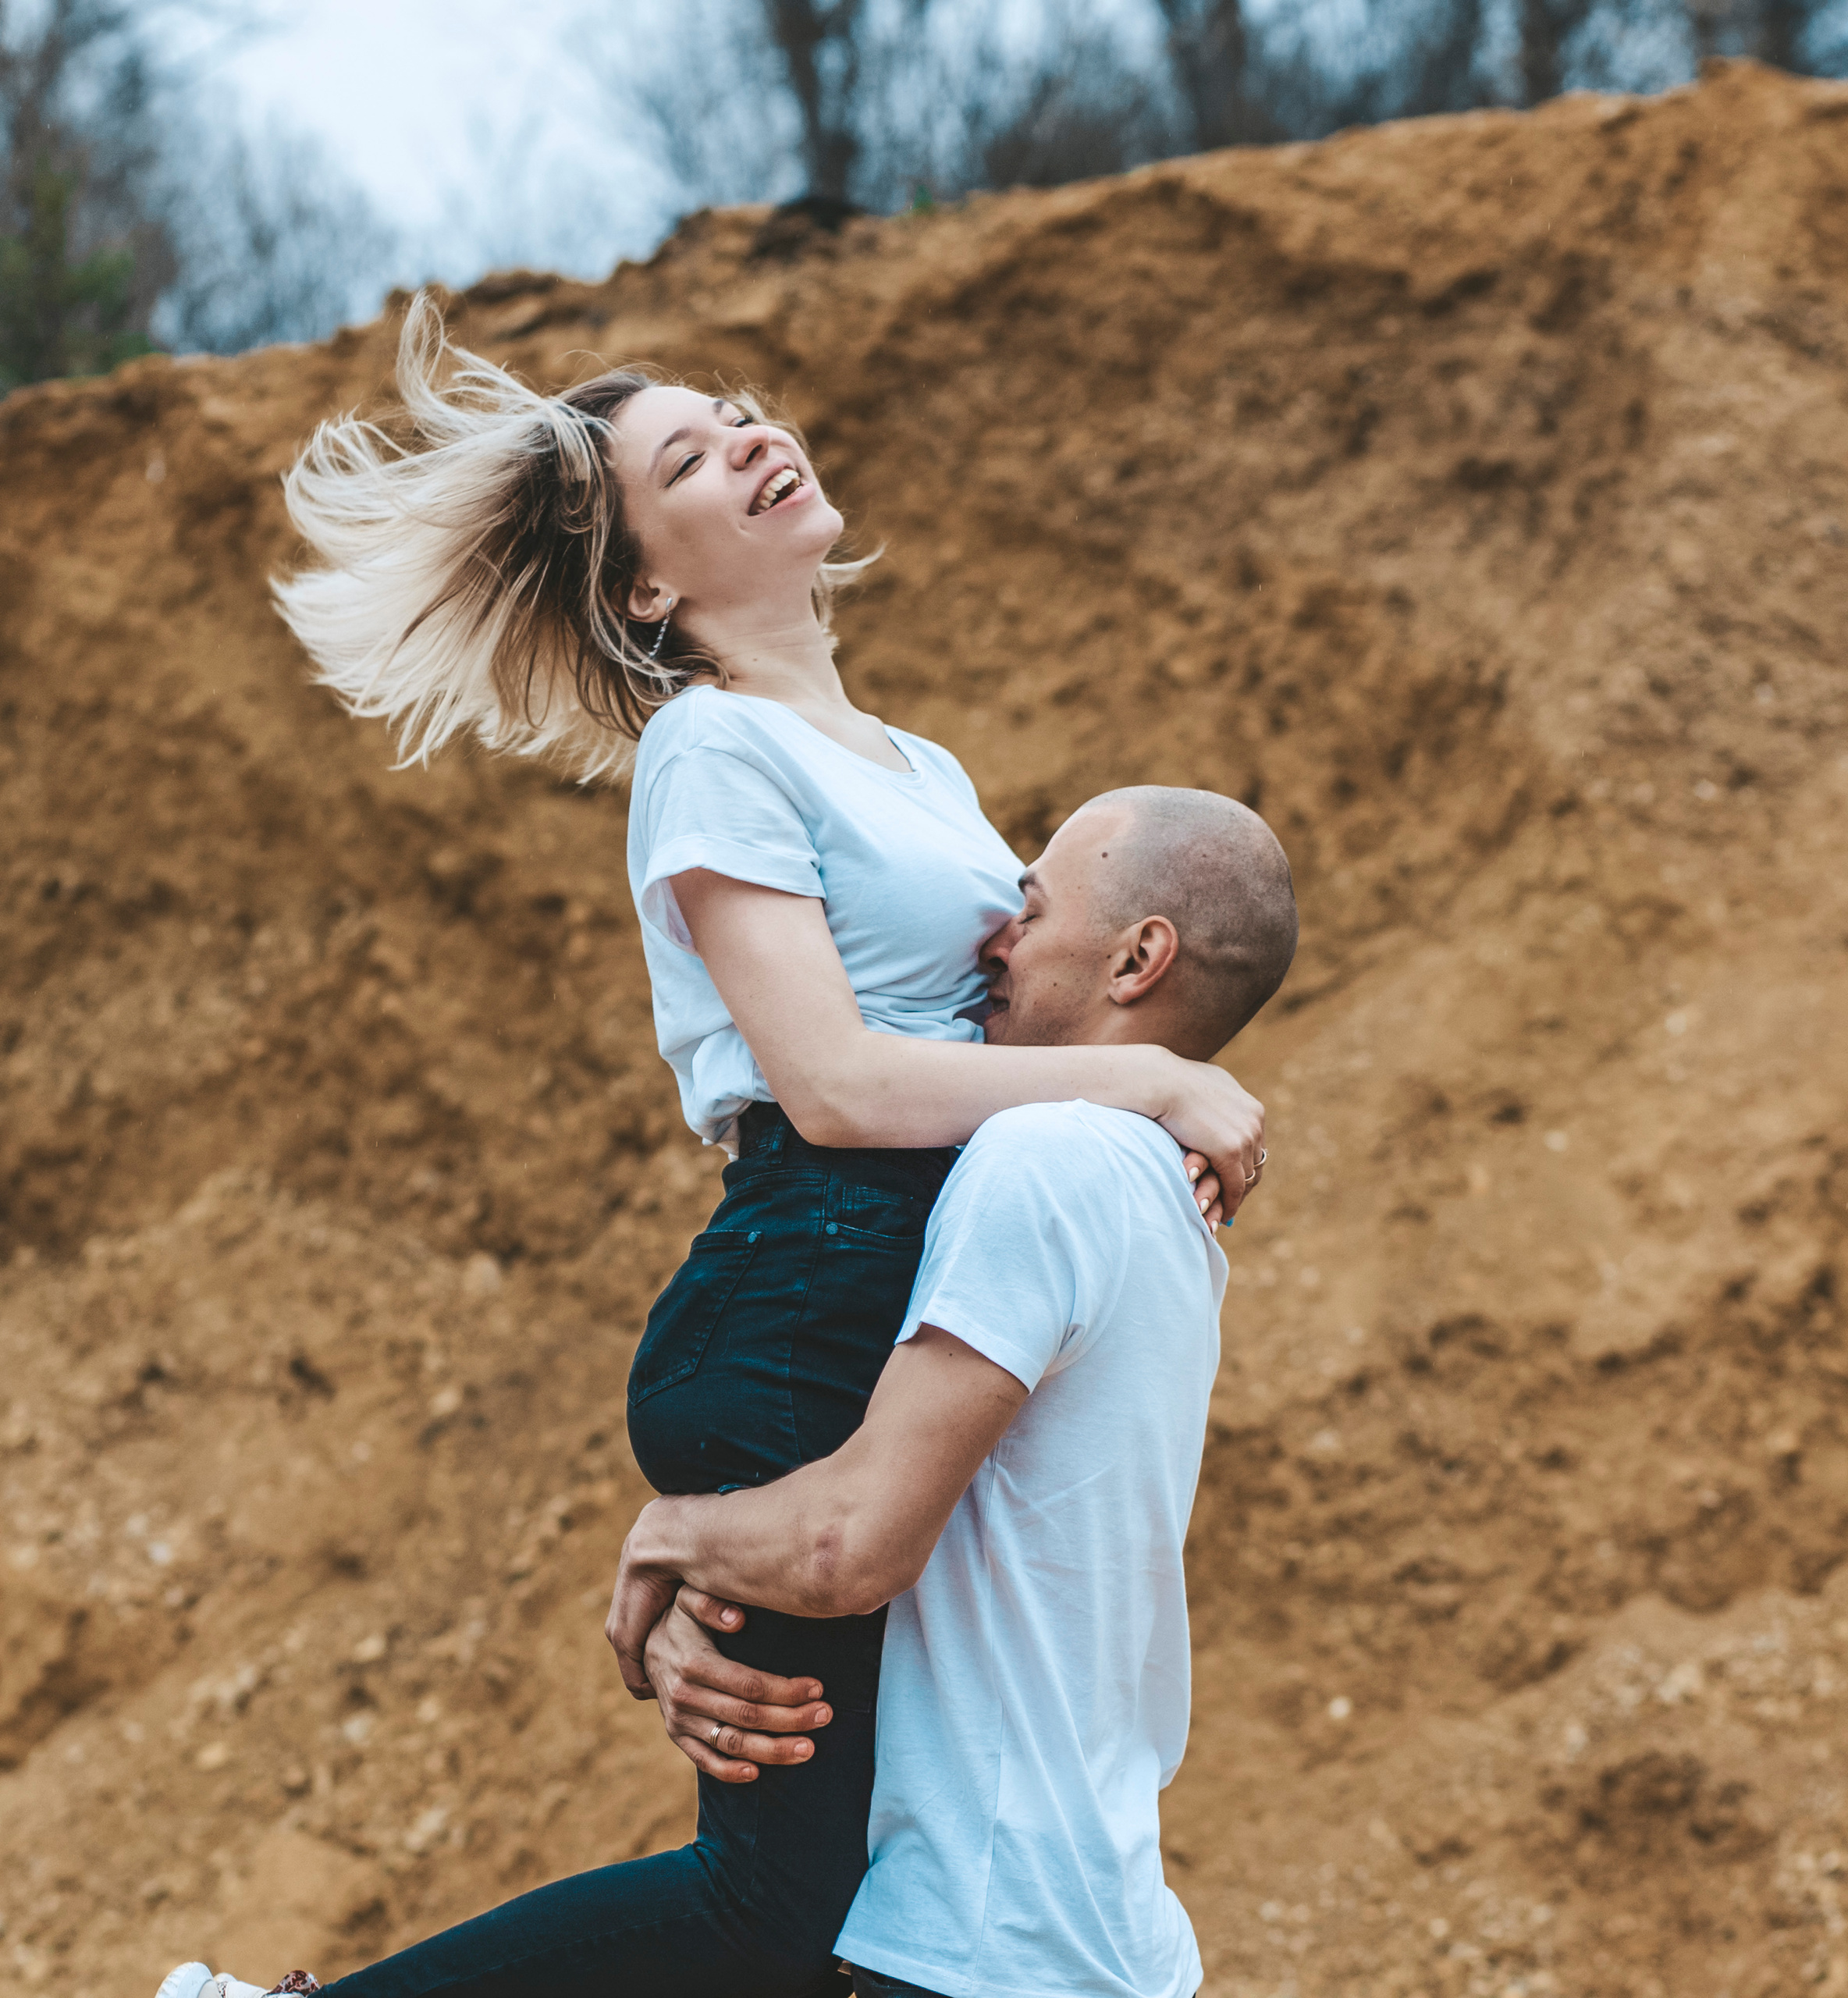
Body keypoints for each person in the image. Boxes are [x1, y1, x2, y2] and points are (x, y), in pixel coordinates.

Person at [154, 300, 1265, 1998]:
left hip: (891, 1290)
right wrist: (1157, 1089)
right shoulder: (709, 745)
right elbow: (824, 1082)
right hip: (799, 1294)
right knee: (773, 1913)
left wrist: (699, 1577)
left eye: (738, 411)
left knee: (848, 1884)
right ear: (644, 592)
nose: (750, 435)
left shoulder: (928, 769)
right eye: (688, 455)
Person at [606, 784, 1298, 1998]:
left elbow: (844, 1546)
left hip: (972, 1941)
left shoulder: (1042, 1160)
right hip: (1078, 1924)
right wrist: (713, 1609)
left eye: (1028, 909)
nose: (992, 937)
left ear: (1140, 957)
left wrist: (674, 1535)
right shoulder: (1143, 1178)